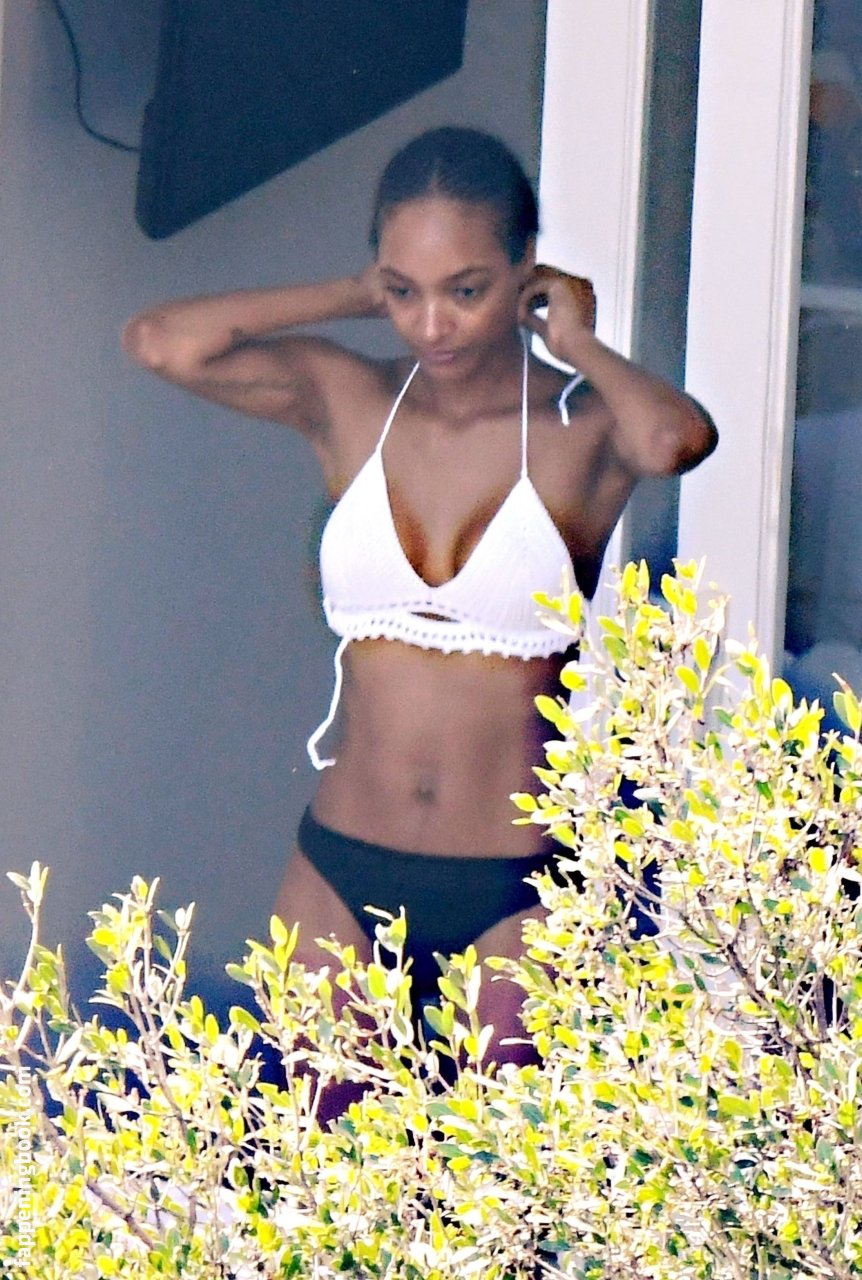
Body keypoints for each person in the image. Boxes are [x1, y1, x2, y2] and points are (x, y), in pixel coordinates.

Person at [122, 126, 717, 1084]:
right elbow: (161, 343)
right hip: (340, 864)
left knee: (498, 1164)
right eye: (406, 293)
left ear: (526, 269)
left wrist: (575, 342)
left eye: (466, 290)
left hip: (515, 880)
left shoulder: (578, 427)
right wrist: (355, 293)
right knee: (322, 1153)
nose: (432, 325)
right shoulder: (351, 400)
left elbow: (674, 441)